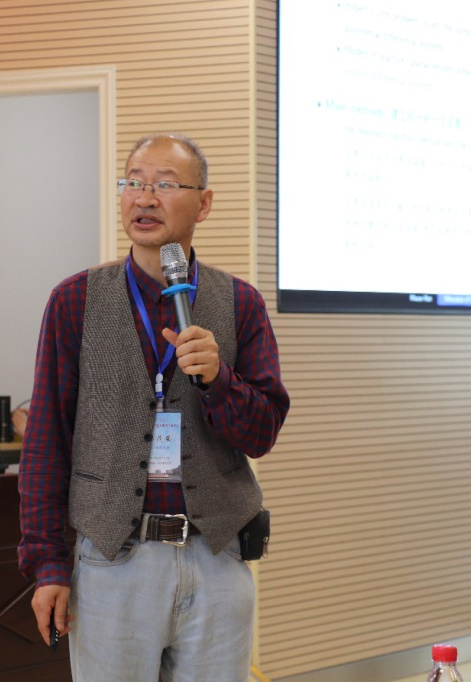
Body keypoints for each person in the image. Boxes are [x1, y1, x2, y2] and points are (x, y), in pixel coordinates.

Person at [18, 132, 289, 681]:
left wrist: (220, 381)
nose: (144, 198)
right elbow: (46, 443)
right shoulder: (75, 301)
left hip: (216, 558)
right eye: (133, 183)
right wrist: (47, 563)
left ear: (203, 204)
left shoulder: (240, 303)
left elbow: (262, 433)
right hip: (112, 561)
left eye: (165, 185)